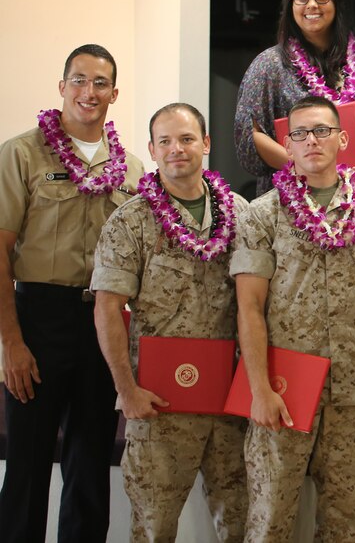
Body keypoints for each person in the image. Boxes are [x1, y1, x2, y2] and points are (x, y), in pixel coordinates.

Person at [230, 95, 355, 540]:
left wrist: (353, 313)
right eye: (301, 134)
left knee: (344, 525)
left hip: (352, 390)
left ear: (344, 139)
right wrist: (259, 389)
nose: (313, 141)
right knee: (270, 520)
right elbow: (249, 307)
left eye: (323, 131)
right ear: (287, 146)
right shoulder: (262, 214)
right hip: (283, 386)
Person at [0, 44, 144, 542]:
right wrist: (11, 343)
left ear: (114, 93)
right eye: (79, 80)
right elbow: (0, 251)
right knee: (28, 463)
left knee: (90, 463)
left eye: (100, 82)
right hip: (39, 317)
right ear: (62, 87)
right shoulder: (21, 153)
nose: (89, 92)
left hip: (104, 322)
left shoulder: (131, 168)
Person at [91, 103, 248, 542]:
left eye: (186, 139)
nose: (176, 149)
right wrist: (127, 392)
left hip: (228, 405)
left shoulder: (240, 213)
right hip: (159, 405)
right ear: (152, 150)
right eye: (165, 141)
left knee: (240, 525)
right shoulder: (130, 221)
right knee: (154, 528)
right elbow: (107, 309)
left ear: (206, 144)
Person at [234, 0, 355, 195]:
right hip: (291, 196)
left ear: (337, 2)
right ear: (290, 5)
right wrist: (305, 167)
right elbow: (252, 134)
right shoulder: (268, 65)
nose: (311, 5)